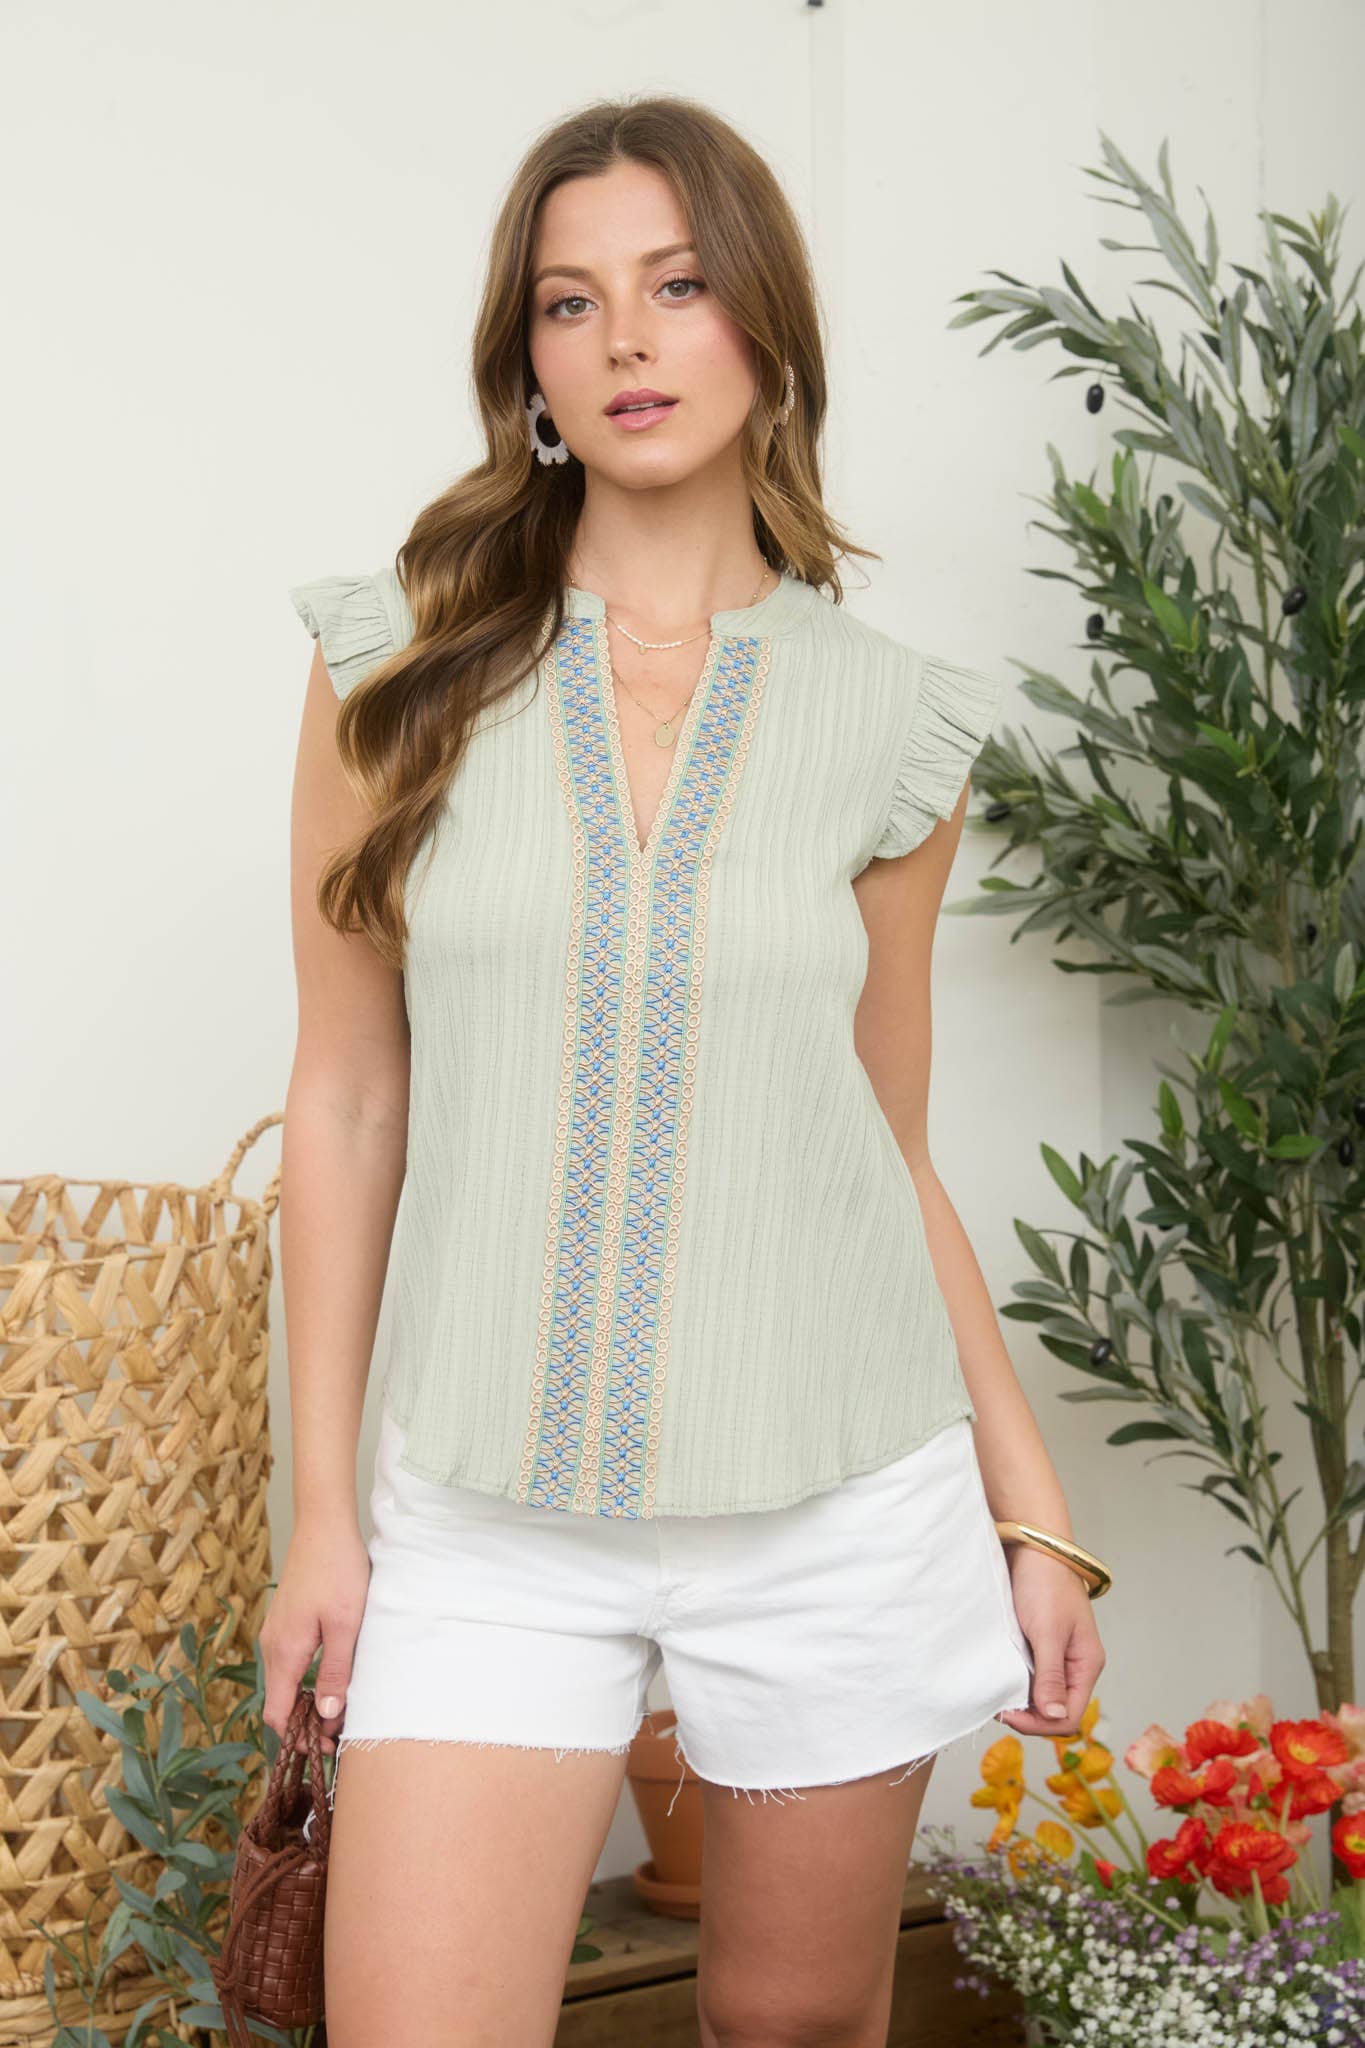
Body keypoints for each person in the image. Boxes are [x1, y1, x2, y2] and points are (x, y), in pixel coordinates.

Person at [267, 92, 1108, 2048]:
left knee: (793, 2029)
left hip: (837, 1496)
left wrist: (1027, 1506)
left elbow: (883, 1141)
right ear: (528, 363)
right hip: (484, 1503)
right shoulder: (392, 666)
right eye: (570, 302)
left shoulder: (892, 722)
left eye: (676, 285)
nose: (626, 339)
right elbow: (349, 1094)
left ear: (765, 328)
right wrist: (324, 1510)